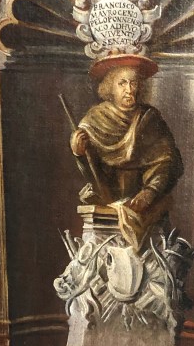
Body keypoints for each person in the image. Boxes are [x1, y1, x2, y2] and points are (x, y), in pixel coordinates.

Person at [70, 56, 183, 249]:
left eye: (134, 83)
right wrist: (79, 153)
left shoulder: (150, 119)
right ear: (110, 87)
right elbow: (92, 171)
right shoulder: (94, 119)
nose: (129, 89)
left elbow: (167, 162)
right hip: (108, 204)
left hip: (147, 206)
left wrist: (150, 191)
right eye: (122, 83)